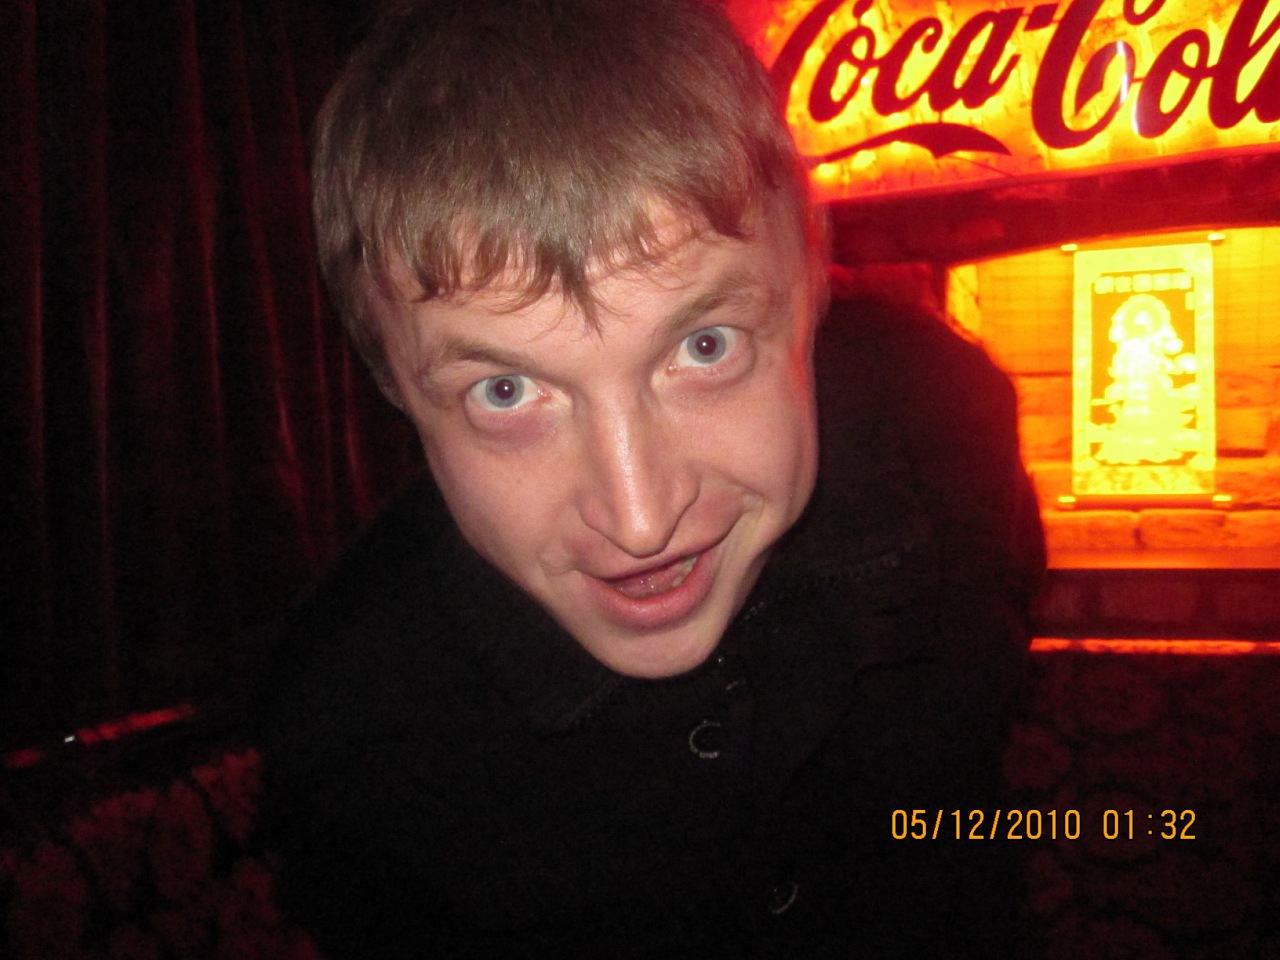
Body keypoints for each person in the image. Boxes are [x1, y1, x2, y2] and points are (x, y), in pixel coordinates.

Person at [257, 0, 1046, 957]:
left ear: (814, 275)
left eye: (703, 346)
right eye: (506, 391)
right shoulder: (352, 743)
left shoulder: (948, 433)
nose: (640, 520)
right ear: (390, 380)